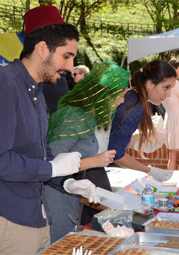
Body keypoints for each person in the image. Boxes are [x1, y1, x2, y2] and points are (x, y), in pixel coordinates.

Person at [0, 6, 99, 254]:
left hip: (38, 217)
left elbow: (34, 159)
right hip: (12, 220)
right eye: (66, 56)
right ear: (42, 49)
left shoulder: (37, 92)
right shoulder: (5, 84)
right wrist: (52, 167)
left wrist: (64, 182)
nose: (70, 66)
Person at [45, 60, 129, 243]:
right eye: (120, 95)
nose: (122, 101)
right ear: (105, 93)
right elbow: (52, 164)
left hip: (72, 195)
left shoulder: (89, 115)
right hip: (57, 198)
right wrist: (95, 162)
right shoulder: (73, 115)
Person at [107, 60, 176, 177]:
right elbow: (116, 154)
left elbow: (113, 136)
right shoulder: (135, 106)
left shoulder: (132, 98)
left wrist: (135, 145)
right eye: (166, 87)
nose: (168, 94)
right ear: (149, 84)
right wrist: (150, 171)